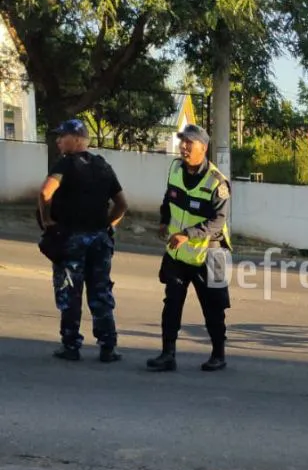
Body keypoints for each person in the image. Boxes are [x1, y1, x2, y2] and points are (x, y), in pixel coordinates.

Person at [38, 118, 128, 362]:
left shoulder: (66, 164)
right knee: (100, 292)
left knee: (69, 291)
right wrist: (108, 226)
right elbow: (122, 205)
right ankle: (108, 346)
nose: (58, 140)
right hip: (99, 240)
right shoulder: (103, 166)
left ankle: (71, 345)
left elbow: (46, 192)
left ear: (77, 140)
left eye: (62, 136)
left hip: (71, 239)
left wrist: (46, 219)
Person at [146, 124, 233, 372]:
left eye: (189, 142)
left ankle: (218, 354)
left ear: (203, 148)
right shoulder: (175, 168)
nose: (183, 146)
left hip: (211, 253)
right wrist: (164, 220)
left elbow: (218, 221)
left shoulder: (217, 182)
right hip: (178, 252)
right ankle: (167, 354)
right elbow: (169, 197)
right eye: (182, 141)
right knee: (171, 301)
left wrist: (188, 234)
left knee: (213, 307)